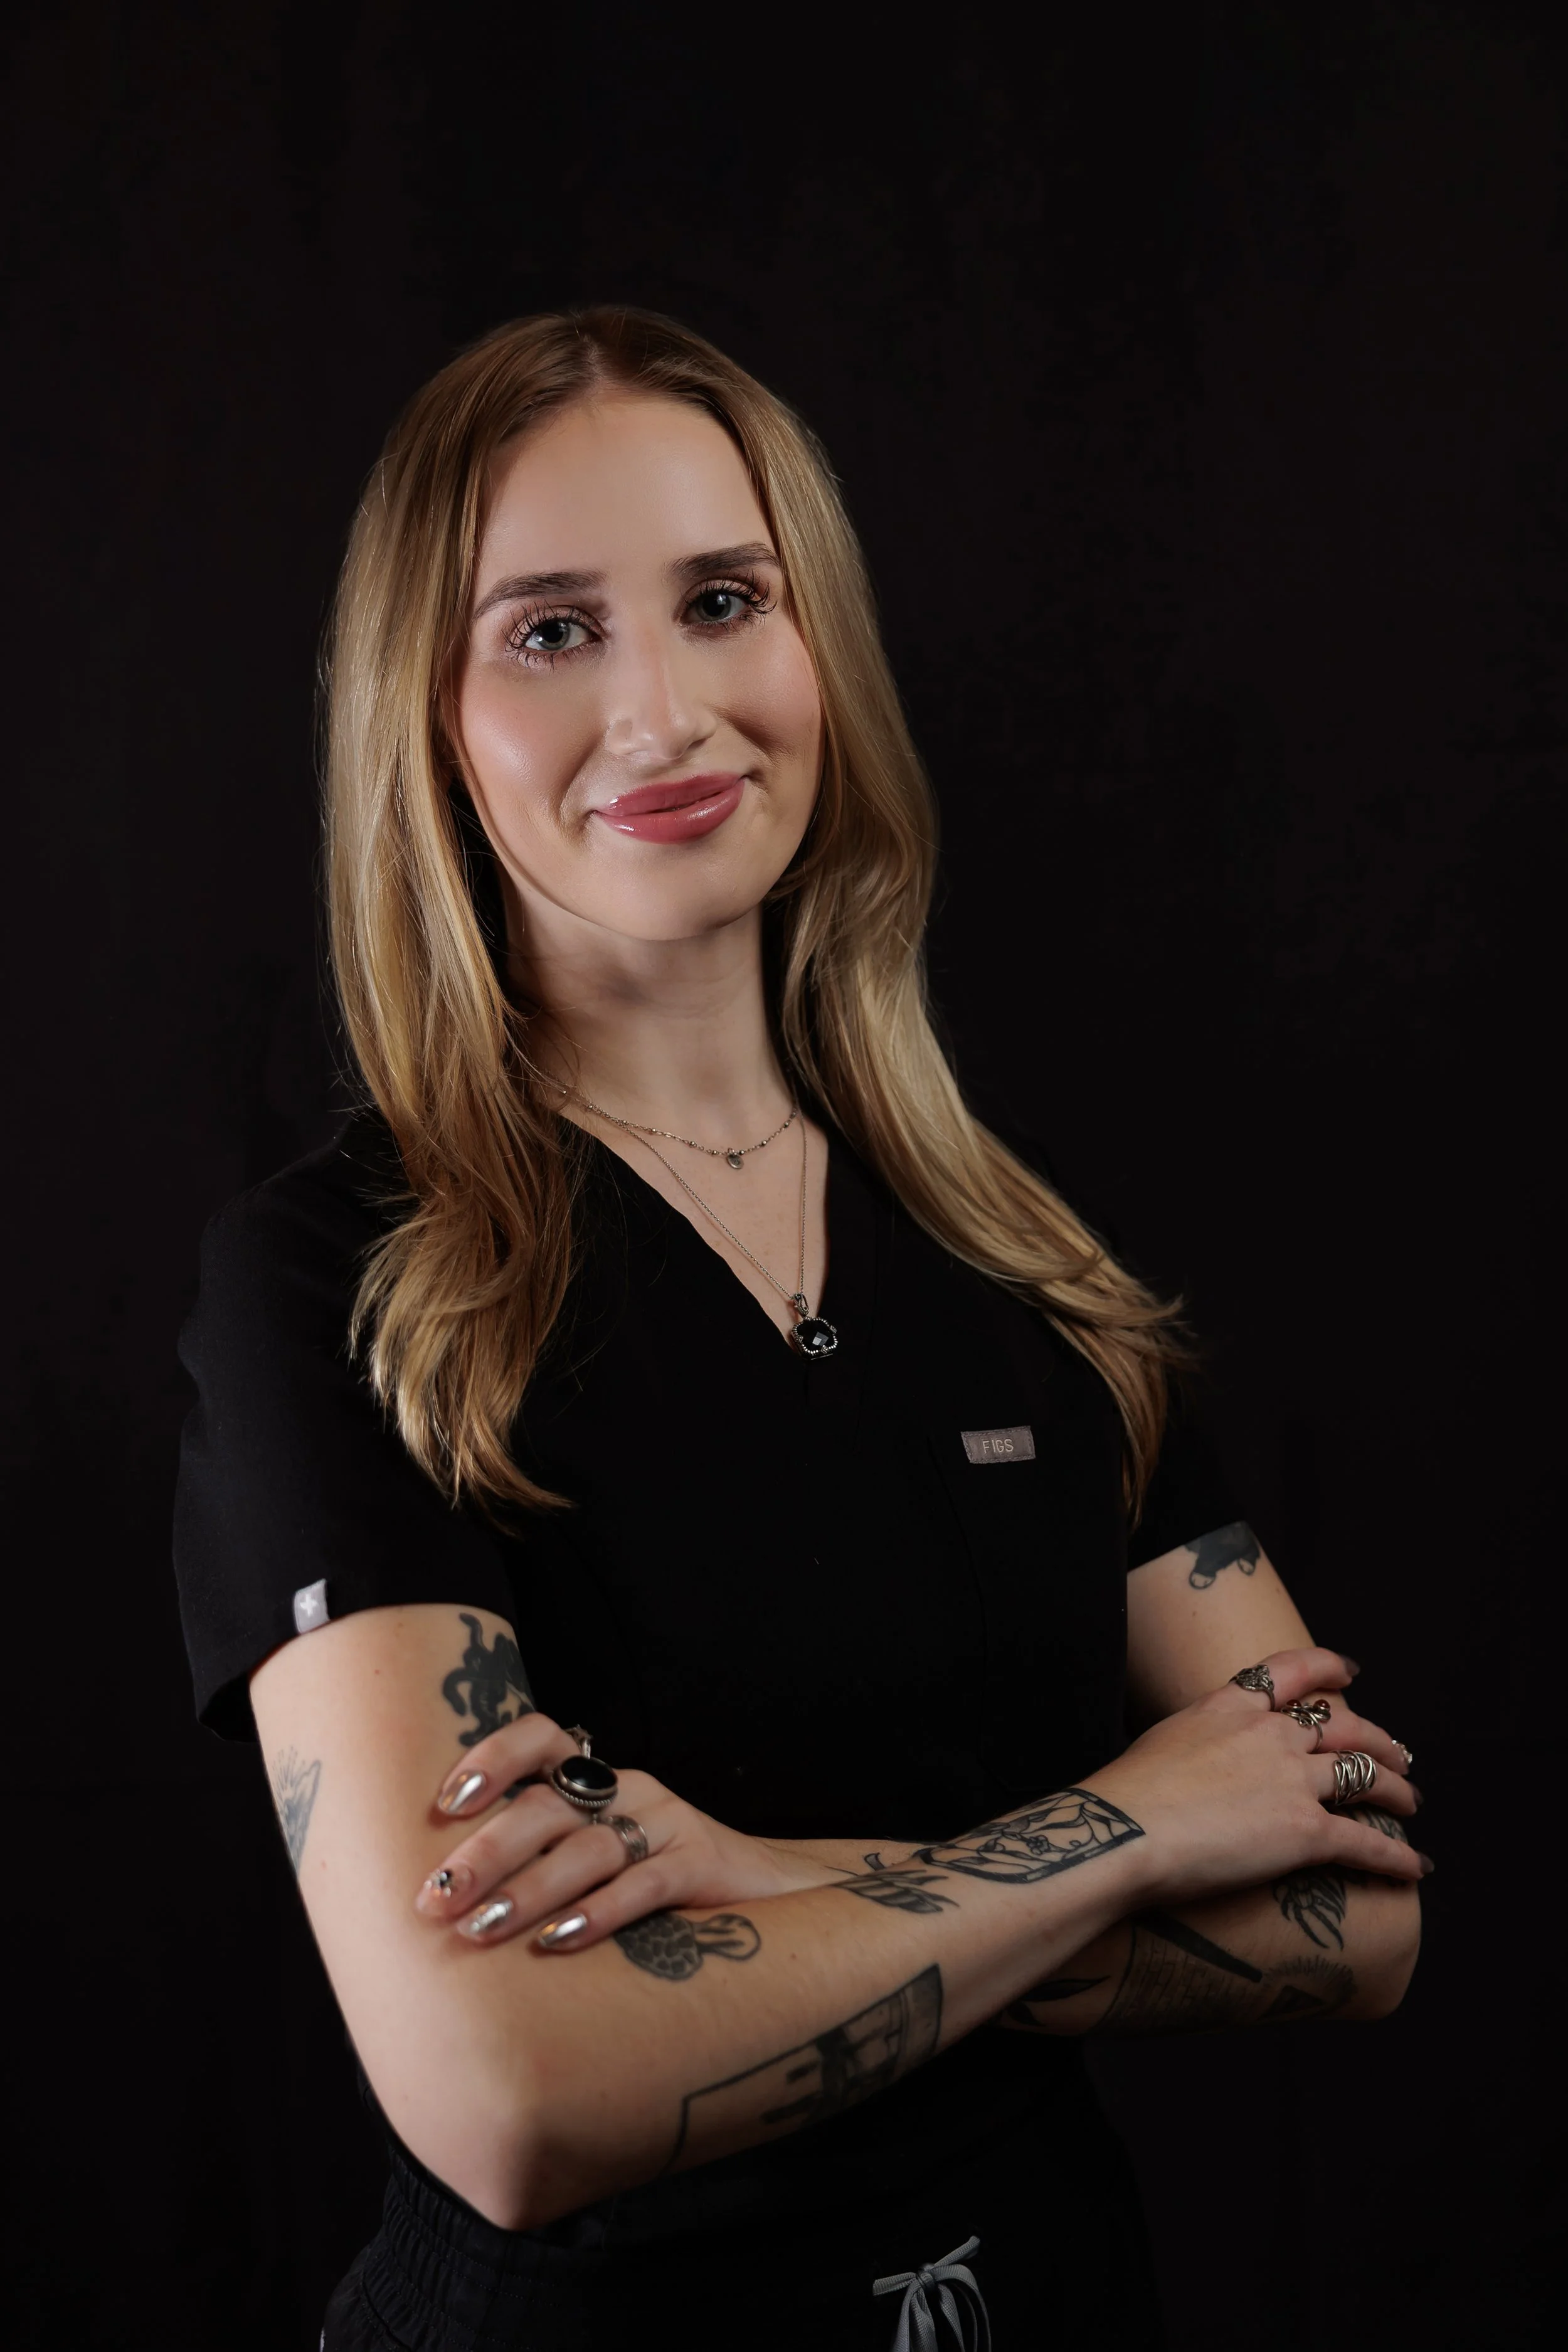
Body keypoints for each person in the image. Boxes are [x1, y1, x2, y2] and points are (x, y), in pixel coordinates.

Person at [173, 308, 1427, 2351]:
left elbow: (1355, 1913)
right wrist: (1139, 1827)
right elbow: (506, 2089)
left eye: (723, 600)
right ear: (427, 713)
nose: (663, 709)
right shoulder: (353, 1282)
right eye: (551, 629)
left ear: (815, 642)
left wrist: (769, 1876)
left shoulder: (1019, 1263)